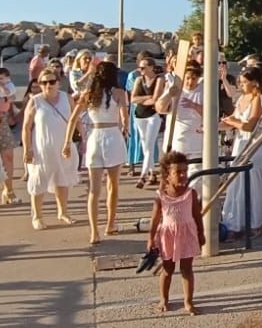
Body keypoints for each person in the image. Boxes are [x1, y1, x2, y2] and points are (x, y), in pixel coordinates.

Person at [64, 61, 130, 244]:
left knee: (94, 189)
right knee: (113, 185)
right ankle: (110, 223)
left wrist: (67, 143)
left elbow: (72, 119)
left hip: (95, 136)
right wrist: (125, 129)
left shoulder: (89, 94)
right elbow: (125, 119)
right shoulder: (119, 93)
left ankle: (94, 232)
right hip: (113, 136)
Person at [147, 151, 204, 316]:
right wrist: (151, 239)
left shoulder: (190, 194)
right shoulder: (161, 197)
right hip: (168, 236)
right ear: (167, 175)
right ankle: (164, 299)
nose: (182, 175)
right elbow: (155, 220)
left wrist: (201, 233)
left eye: (185, 172)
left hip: (187, 235)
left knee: (187, 269)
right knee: (168, 269)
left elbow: (197, 215)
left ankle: (188, 301)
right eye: (177, 172)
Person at [20, 68, 77, 230]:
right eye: (44, 82)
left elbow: (75, 119)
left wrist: (83, 138)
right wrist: (27, 149)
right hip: (41, 147)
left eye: (52, 82)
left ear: (58, 82)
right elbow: (26, 127)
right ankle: (37, 215)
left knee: (63, 179)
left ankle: (63, 212)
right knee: (38, 180)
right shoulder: (35, 101)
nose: (48, 85)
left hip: (63, 146)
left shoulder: (67, 98)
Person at [221, 66, 262, 236]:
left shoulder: (260, 98)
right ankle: (236, 221)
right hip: (241, 144)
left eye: (244, 82)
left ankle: (255, 223)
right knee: (237, 182)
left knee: (252, 183)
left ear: (255, 83)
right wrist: (215, 126)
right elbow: (233, 121)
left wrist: (233, 121)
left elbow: (250, 125)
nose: (241, 85)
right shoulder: (242, 98)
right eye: (240, 82)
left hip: (256, 146)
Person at [158, 62, 207, 169]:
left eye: (194, 79)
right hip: (178, 140)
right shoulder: (175, 89)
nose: (190, 82)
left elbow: (211, 113)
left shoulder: (204, 90)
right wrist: (169, 94)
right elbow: (160, 108)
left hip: (196, 142)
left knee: (195, 176)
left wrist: (194, 105)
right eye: (188, 78)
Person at [129, 57, 164, 188]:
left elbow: (156, 98)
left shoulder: (159, 79)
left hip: (153, 115)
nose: (141, 70)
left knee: (149, 144)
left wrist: (145, 99)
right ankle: (151, 172)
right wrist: (146, 98)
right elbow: (133, 98)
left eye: (143, 68)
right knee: (144, 145)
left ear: (151, 67)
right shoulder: (139, 80)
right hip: (139, 115)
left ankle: (142, 176)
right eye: (139, 68)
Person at [0, 67, 20, 205]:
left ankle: (8, 191)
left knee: (8, 155)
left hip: (2, 119)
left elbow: (10, 97)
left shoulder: (5, 85)